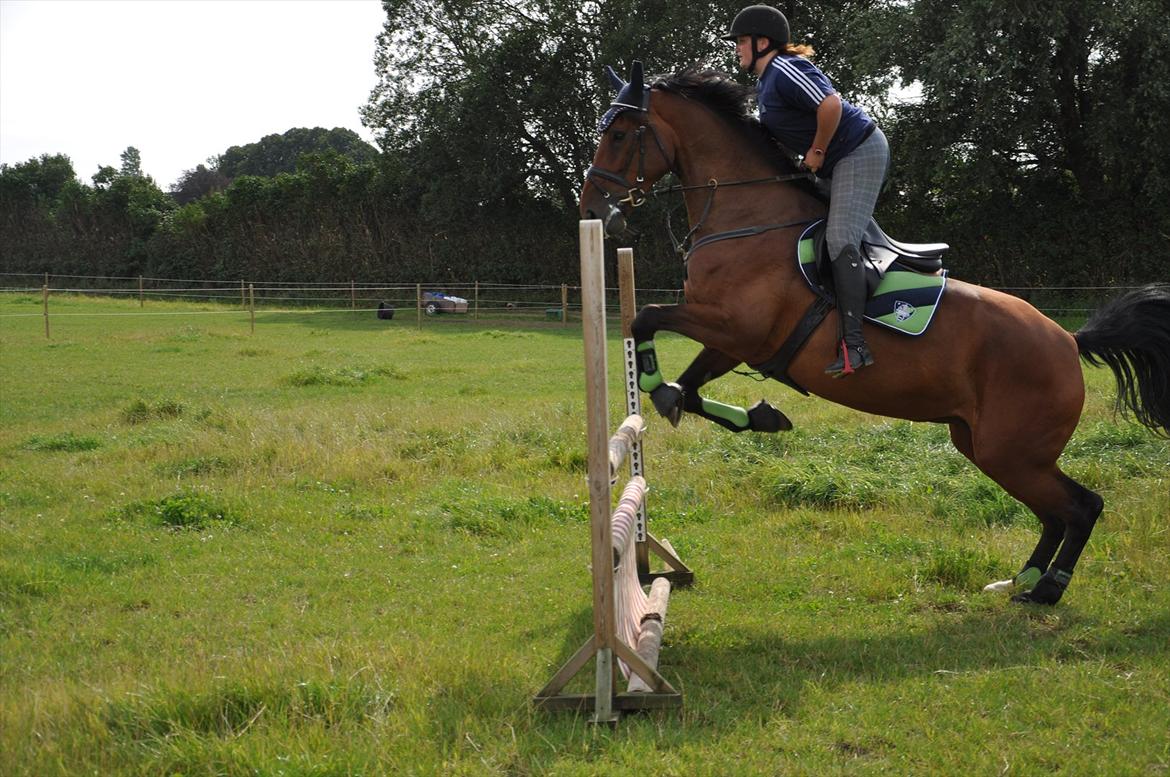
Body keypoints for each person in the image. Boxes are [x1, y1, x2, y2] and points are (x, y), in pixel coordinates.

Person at [724, 4, 887, 377]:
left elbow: (829, 104)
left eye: (741, 41)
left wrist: (815, 152)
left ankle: (856, 346)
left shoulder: (783, 68)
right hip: (838, 160)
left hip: (859, 150)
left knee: (840, 238)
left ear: (762, 42)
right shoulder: (765, 84)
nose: (737, 48)